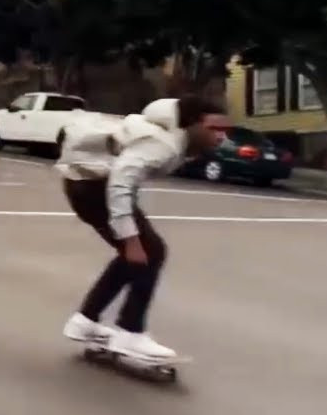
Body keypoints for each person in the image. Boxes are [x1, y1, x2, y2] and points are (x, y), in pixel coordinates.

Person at [57, 96, 229, 360]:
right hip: (93, 187)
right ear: (192, 124)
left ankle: (86, 321)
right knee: (150, 251)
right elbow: (120, 183)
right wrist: (131, 238)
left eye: (224, 130)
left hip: (85, 184)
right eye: (213, 129)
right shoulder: (164, 143)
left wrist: (131, 241)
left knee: (140, 254)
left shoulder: (172, 137)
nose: (220, 137)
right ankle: (130, 332)